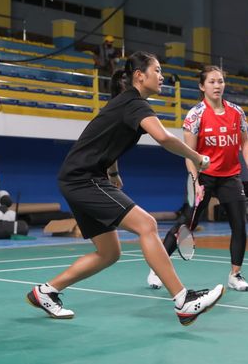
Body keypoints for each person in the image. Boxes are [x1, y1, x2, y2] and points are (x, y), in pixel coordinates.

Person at [26, 52, 224, 326]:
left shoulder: (126, 104)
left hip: (78, 177)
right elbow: (164, 137)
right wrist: (196, 157)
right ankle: (183, 300)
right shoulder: (134, 103)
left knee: (109, 253)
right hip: (83, 178)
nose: (162, 76)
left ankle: (45, 292)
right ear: (139, 76)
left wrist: (114, 173)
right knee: (147, 225)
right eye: (157, 70)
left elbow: (107, 139)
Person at [148, 66, 248, 292]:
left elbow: (245, 140)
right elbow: (188, 154)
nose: (217, 86)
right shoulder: (195, 115)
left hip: (230, 176)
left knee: (239, 225)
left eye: (220, 81)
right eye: (211, 82)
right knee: (186, 224)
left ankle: (235, 275)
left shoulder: (237, 112)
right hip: (204, 176)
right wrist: (195, 181)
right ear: (202, 86)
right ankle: (156, 269)